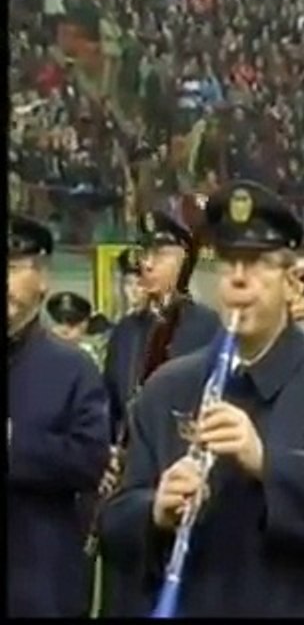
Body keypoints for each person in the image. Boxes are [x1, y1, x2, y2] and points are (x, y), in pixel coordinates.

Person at [99, 180, 304, 617]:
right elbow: (113, 525)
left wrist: (265, 462)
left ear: (290, 282)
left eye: (257, 263)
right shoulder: (169, 386)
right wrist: (155, 511)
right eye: (229, 263)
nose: (239, 277)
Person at [98, 211, 222, 617]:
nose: (147, 264)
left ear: (185, 260)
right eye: (144, 254)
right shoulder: (125, 332)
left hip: (184, 481)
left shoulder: (208, 329)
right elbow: (110, 403)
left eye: (160, 255)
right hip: (131, 494)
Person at [8, 214, 111, 617]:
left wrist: (15, 444)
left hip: (38, 585)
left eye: (13, 268)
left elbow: (89, 461)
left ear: (43, 279)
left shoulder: (73, 369)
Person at [116, 246, 146, 316]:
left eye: (138, 283)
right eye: (129, 283)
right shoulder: (123, 319)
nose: (134, 289)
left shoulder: (158, 319)